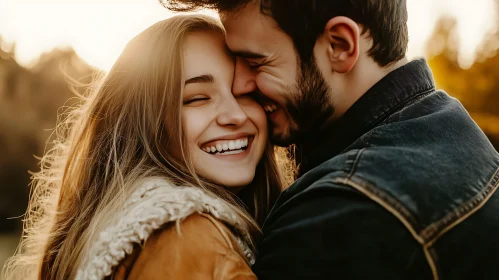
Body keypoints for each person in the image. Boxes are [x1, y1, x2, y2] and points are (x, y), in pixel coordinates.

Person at [163, 0, 499, 279]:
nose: (241, 84)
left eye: (255, 63)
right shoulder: (451, 126)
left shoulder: (343, 211)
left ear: (340, 45)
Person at [3, 15, 287, 280]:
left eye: (246, 93)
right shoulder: (185, 236)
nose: (236, 115)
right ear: (142, 126)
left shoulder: (134, 227)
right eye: (197, 98)